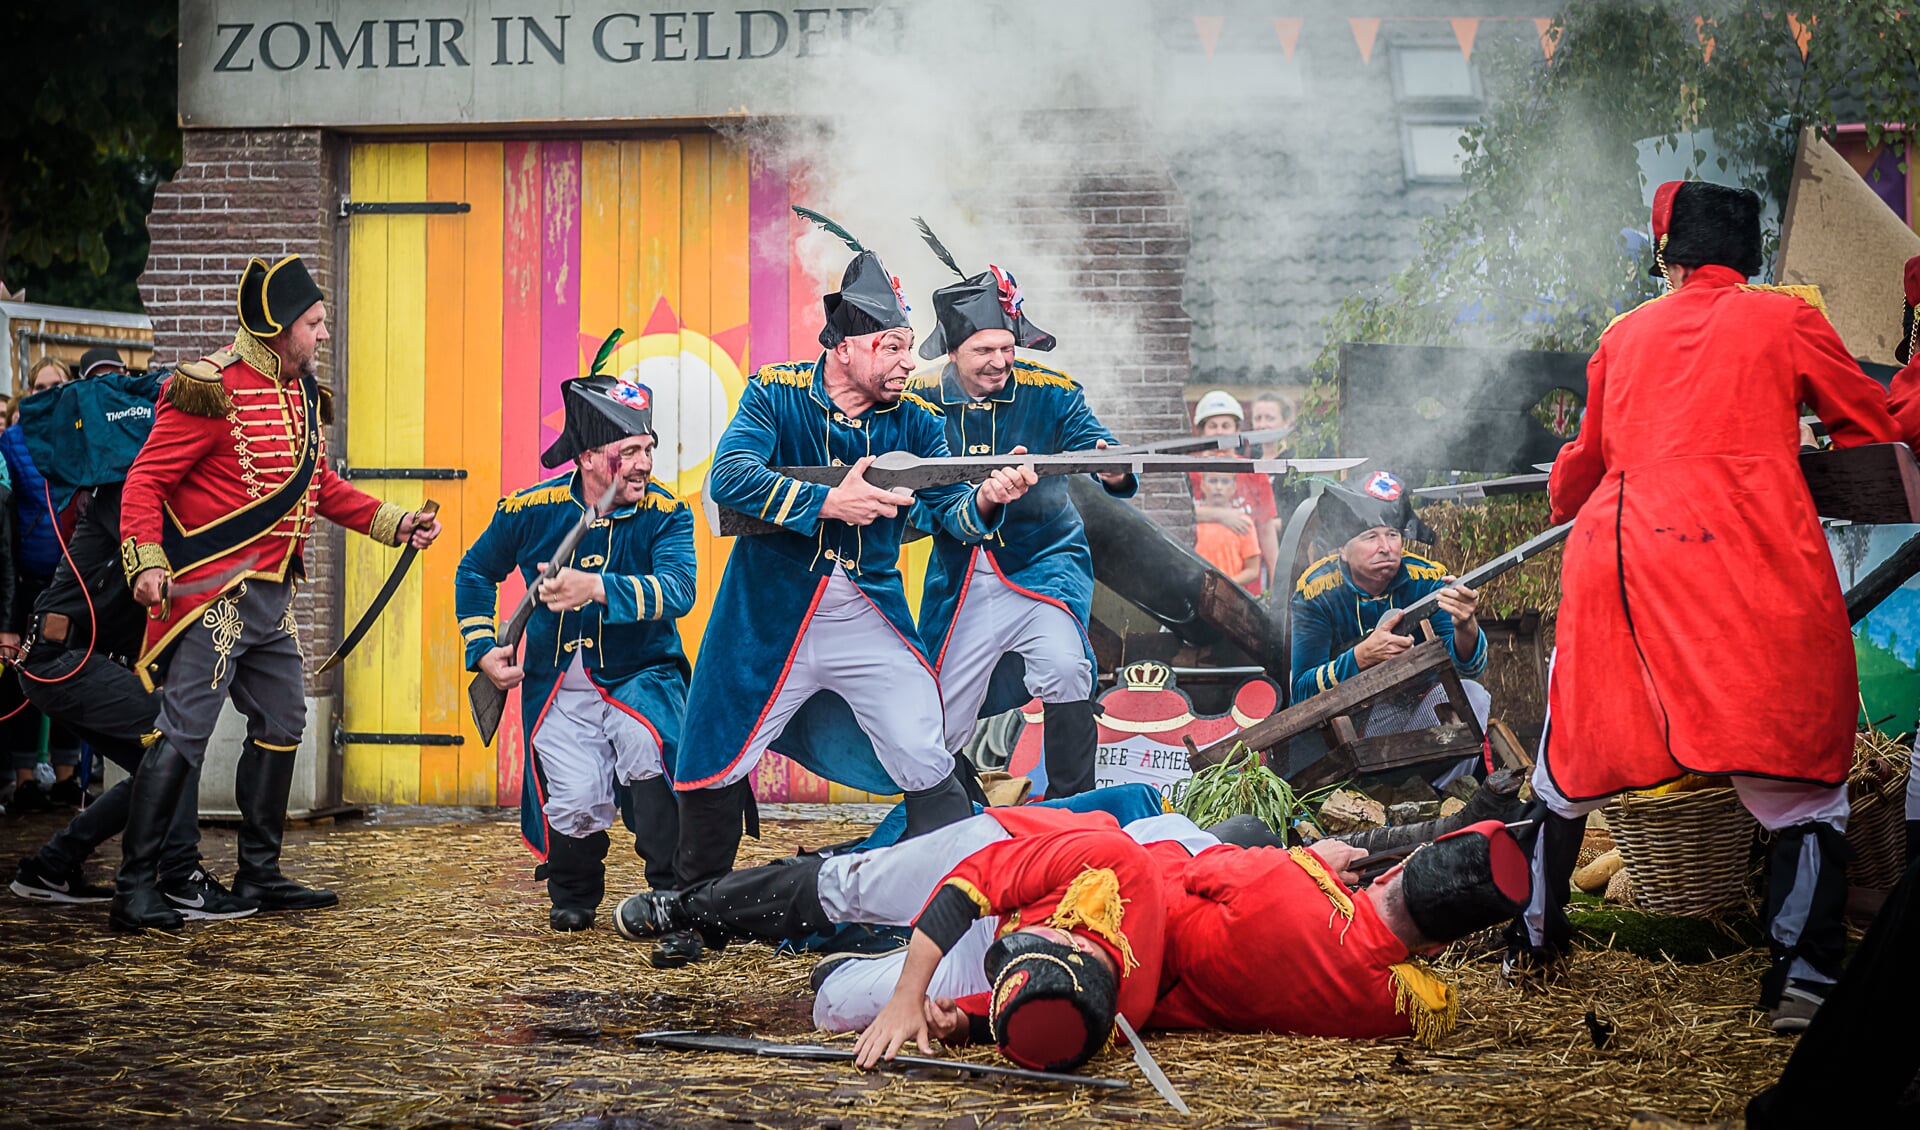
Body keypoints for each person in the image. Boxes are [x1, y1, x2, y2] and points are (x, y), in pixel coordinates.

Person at [1516, 181, 1901, 1032]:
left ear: (1669, 257)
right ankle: (1803, 976)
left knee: (1572, 749)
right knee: (1796, 766)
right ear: (1751, 256)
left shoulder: (1622, 335)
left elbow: (1578, 471)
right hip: (1748, 555)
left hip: (1621, 557)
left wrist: (1571, 497)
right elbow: (1870, 424)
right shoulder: (1785, 320)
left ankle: (1534, 937)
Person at [654, 211, 1036, 969]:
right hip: (769, 620)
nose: (906, 362)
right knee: (715, 763)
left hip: (871, 617)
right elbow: (728, 479)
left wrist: (990, 496)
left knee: (927, 756)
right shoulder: (775, 396)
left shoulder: (921, 423)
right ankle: (690, 913)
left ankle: (949, 906)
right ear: (849, 343)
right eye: (892, 347)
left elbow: (948, 513)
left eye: (905, 348)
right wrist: (829, 503)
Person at [618, 801, 1528, 1053]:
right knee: (855, 884)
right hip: (1039, 858)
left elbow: (1208, 872)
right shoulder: (1393, 1007)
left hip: (1081, 900)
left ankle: (838, 959)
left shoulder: (1268, 885)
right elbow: (980, 879)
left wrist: (936, 1007)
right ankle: (689, 906)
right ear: (1446, 945)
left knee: (837, 986)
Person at [113, 255, 441, 932]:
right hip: (212, 596)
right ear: (280, 326)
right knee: (184, 734)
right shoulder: (208, 389)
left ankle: (258, 871)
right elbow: (144, 482)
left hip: (271, 598)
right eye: (315, 323)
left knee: (285, 720)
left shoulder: (298, 392)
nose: (323, 335)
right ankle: (134, 885)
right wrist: (145, 563)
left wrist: (395, 524)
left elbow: (319, 489)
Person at [455, 340, 696, 931]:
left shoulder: (667, 514)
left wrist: (597, 589)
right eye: (628, 452)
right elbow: (474, 572)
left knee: (649, 749)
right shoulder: (527, 510)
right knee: (576, 792)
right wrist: (484, 648)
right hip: (558, 683)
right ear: (588, 457)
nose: (643, 464)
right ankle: (573, 895)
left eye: (648, 449)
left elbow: (680, 590)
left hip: (643, 675)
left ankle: (672, 896)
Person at [905, 228, 1135, 801]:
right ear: (953, 352)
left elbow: (1096, 446)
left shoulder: (1050, 390)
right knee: (939, 710)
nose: (1000, 361)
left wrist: (1111, 469)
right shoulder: (918, 399)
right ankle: (960, 816)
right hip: (960, 574)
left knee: (1065, 669)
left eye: (1007, 348)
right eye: (984, 351)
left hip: (1044, 564)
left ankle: (1072, 811)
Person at [1288, 474, 1489, 751]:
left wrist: (1466, 626)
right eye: (1370, 536)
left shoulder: (1426, 579)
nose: (1386, 548)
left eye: (1392, 534)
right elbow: (1301, 691)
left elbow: (1470, 668)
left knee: (1474, 696)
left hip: (1416, 710)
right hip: (1348, 725)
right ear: (1343, 551)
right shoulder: (1316, 592)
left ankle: (1434, 787)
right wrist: (1360, 657)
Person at [1, 356, 83, 811]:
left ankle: (70, 775)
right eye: (38, 386)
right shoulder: (13, 442)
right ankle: (27, 777)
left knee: (73, 674)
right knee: (23, 680)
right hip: (31, 578)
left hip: (73, 581)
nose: (46, 393)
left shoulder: (81, 436)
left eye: (55, 385)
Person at [1188, 389, 1280, 593]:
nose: (1220, 431)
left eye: (1226, 425)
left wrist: (1277, 586)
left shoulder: (1254, 472)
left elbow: (1266, 532)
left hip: (1247, 591)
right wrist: (1221, 515)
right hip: (1196, 587)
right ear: (1201, 431)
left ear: (1237, 430)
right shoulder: (1188, 471)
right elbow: (1178, 517)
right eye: (1212, 426)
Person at [1193, 464, 1260, 586]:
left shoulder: (1243, 523)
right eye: (1213, 481)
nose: (1218, 487)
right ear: (1202, 485)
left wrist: (1225, 585)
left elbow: (1253, 570)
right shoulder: (1192, 519)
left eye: (1225, 482)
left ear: (1234, 487)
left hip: (1229, 597)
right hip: (1194, 589)